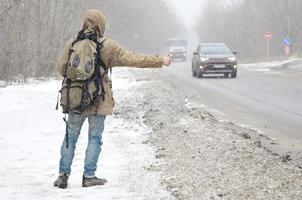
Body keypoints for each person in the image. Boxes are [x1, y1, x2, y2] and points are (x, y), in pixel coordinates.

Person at [53, 9, 171, 189]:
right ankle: (89, 176)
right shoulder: (107, 45)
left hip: (75, 100)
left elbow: (61, 69)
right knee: (94, 138)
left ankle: (62, 176)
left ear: (85, 22)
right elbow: (133, 59)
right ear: (102, 25)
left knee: (70, 136)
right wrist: (159, 61)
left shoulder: (73, 42)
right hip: (98, 100)